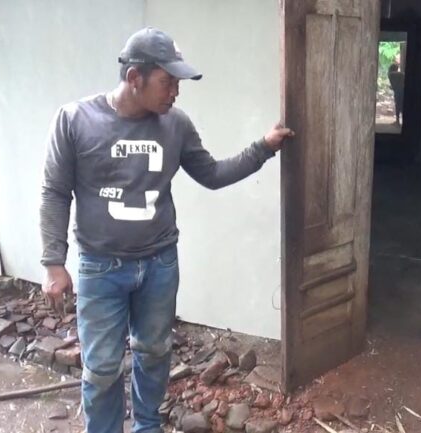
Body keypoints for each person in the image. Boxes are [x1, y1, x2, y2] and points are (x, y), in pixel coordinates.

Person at [38, 27, 294, 433]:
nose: (175, 91)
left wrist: (263, 147)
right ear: (134, 78)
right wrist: (54, 262)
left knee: (154, 352)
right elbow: (55, 192)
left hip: (159, 264)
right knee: (102, 368)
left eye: (178, 83)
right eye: (167, 81)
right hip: (100, 267)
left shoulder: (175, 125)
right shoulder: (76, 121)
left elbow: (211, 174)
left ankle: (146, 426)